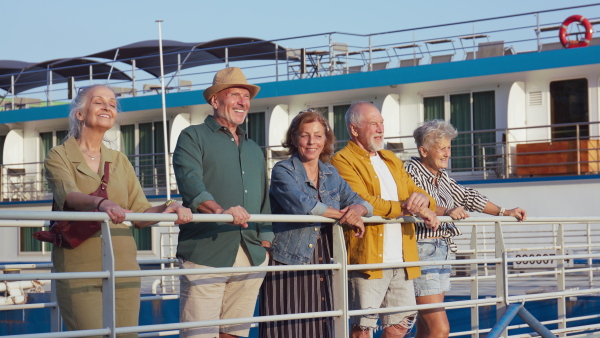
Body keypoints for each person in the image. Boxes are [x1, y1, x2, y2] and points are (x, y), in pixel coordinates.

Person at [44, 84, 192, 337]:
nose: (107, 107)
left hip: (123, 265)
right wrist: (102, 204)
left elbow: (140, 214)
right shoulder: (58, 155)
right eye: (99, 102)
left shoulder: (120, 160)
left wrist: (169, 206)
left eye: (112, 104)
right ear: (80, 114)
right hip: (78, 266)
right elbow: (67, 195)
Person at [172, 67, 273, 338]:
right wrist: (221, 211)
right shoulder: (192, 137)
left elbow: (264, 199)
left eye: (246, 96)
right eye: (235, 95)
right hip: (206, 253)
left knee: (235, 334)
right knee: (199, 335)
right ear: (215, 101)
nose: (243, 102)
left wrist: (265, 245)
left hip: (251, 254)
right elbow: (192, 187)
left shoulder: (254, 148)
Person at [405, 119, 527, 338]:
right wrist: (447, 211)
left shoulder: (441, 177)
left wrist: (504, 211)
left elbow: (468, 197)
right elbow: (411, 203)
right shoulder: (409, 172)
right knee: (439, 328)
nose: (447, 153)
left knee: (426, 327)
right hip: (421, 249)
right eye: (441, 148)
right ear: (423, 150)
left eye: (449, 148)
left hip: (441, 249)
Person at [329, 101, 440, 338]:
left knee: (400, 325)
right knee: (363, 329)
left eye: (382, 123)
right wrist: (409, 207)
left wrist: (423, 202)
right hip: (368, 257)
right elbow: (363, 200)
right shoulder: (342, 160)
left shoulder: (390, 158)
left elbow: (420, 194)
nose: (380, 129)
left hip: (403, 256)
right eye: (373, 124)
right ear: (354, 129)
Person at [259, 109, 372, 338]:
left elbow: (362, 203)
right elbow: (304, 206)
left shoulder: (331, 172)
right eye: (305, 135)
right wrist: (343, 215)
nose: (312, 142)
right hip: (288, 259)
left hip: (323, 256)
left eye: (318, 135)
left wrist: (357, 211)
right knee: (285, 328)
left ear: (326, 140)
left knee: (319, 325)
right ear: (294, 139)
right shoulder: (283, 170)